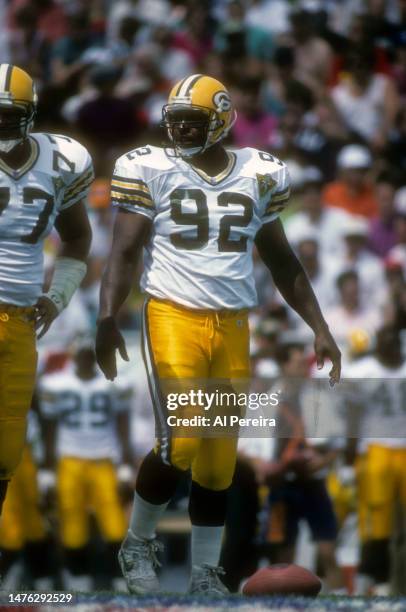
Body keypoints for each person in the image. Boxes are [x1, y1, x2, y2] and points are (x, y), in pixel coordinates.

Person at [95, 74, 341, 596]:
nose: (181, 132)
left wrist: (319, 326)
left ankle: (205, 573)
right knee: (181, 440)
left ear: (223, 120)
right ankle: (137, 543)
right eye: (176, 122)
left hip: (233, 323)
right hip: (172, 315)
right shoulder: (152, 169)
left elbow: (282, 259)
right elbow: (121, 252)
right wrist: (106, 316)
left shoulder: (258, 172)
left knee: (218, 459)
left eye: (193, 122)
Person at [0, 64, 92, 528]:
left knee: (5, 453)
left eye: (8, 116)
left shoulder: (61, 161)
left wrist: (57, 295)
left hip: (19, 319)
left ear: (30, 115)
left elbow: (77, 239)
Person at [39, 337, 134, 590]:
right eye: (82, 353)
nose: (86, 358)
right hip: (69, 459)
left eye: (89, 354)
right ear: (73, 355)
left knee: (114, 522)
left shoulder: (114, 383)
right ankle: (76, 578)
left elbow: (124, 425)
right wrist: (47, 472)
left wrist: (125, 466)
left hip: (104, 459)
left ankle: (117, 577)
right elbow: (48, 430)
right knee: (71, 521)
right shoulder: (56, 384)